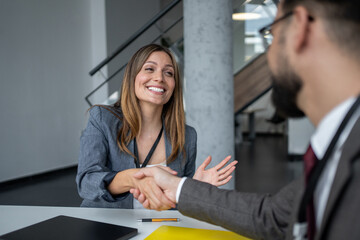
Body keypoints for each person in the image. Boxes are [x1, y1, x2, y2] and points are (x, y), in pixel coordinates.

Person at [131, 0, 360, 239]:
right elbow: (275, 217)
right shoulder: (338, 143)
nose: (269, 53)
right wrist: (178, 189)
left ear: (299, 29)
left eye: (270, 34)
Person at [76, 44, 237, 210]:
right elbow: (86, 182)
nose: (159, 78)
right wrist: (133, 178)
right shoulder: (102, 118)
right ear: (133, 76)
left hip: (159, 226)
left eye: (168, 73)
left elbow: (177, 204)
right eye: (149, 69)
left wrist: (191, 188)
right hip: (107, 225)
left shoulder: (187, 135)